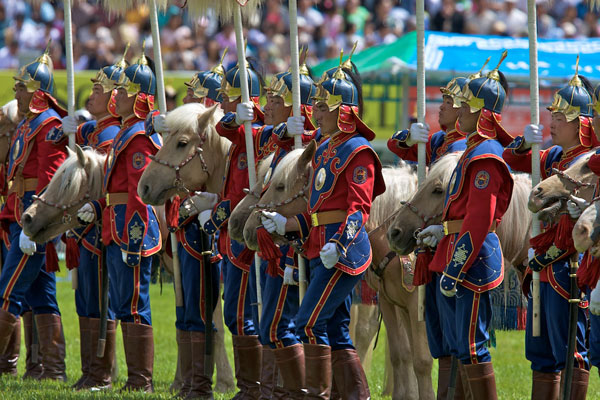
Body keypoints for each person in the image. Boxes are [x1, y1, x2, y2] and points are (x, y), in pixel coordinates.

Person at [261, 57, 385, 398]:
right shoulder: (324, 147)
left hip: (343, 252)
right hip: (318, 246)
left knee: (308, 323)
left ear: (344, 110)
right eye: (314, 103)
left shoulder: (358, 151)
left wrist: (341, 245)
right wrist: (288, 223)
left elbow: (358, 208)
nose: (314, 110)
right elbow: (317, 212)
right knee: (335, 327)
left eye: (322, 105)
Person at [418, 52, 514, 399]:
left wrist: (456, 269)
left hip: (472, 262)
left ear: (482, 112)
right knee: (460, 349)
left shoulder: (486, 154)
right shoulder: (470, 150)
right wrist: (440, 231)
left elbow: (478, 220)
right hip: (456, 252)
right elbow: (458, 215)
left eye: (465, 106)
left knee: (473, 348)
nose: (458, 111)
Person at [504, 61, 594, 399]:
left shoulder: (590, 162)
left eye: (560, 119)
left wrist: (549, 255)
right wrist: (526, 145)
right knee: (540, 354)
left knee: (571, 351)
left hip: (571, 267)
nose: (552, 123)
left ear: (581, 124)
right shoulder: (552, 155)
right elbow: (511, 160)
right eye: (552, 116)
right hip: (541, 267)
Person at [77, 47, 162, 392]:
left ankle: (140, 381)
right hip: (115, 224)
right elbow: (115, 189)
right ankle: (129, 378)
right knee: (122, 302)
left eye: (125, 91)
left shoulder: (139, 136)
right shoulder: (128, 132)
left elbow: (139, 195)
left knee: (133, 305)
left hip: (130, 230)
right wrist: (99, 209)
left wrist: (134, 238)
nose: (119, 96)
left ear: (139, 98)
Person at [194, 58, 273, 398]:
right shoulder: (241, 135)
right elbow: (223, 126)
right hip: (233, 237)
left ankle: (255, 389)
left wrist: (220, 209)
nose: (222, 102)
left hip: (250, 236)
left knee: (244, 315)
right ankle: (250, 387)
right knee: (236, 314)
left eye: (229, 96)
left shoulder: (259, 137)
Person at [152, 54, 228, 398]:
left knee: (207, 308)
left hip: (209, 229)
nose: (186, 102)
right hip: (184, 221)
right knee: (188, 309)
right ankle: (189, 379)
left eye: (195, 96)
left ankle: (202, 383)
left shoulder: (216, 136)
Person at [60, 53, 128, 390]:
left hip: (99, 225)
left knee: (100, 299)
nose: (92, 94)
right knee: (85, 299)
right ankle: (90, 370)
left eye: (99, 90)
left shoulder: (112, 133)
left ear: (114, 98)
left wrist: (96, 208)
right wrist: (66, 127)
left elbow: (108, 182)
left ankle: (101, 371)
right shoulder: (94, 129)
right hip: (81, 224)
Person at [0, 44, 68, 381]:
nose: (16, 90)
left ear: (38, 92)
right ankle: (49, 369)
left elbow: (50, 181)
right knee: (41, 297)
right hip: (18, 213)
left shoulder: (48, 124)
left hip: (31, 219)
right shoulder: (29, 123)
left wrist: (33, 225)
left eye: (22, 86)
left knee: (8, 290)